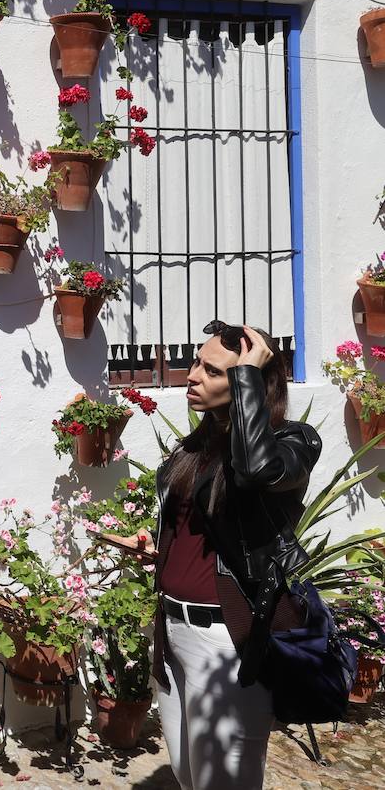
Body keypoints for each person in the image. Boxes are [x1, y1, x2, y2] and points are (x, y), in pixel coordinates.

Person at [109, 322, 321, 790]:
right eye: (196, 363)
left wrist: (249, 374)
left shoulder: (293, 443)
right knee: (187, 776)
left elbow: (255, 470)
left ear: (252, 380)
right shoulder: (195, 447)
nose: (192, 376)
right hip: (173, 632)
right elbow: (198, 528)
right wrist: (158, 549)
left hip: (227, 641)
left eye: (212, 370)